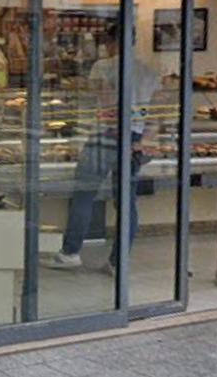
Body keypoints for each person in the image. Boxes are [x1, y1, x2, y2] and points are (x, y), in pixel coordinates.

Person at [47, 22, 161, 273]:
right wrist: (141, 142)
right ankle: (117, 262)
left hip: (106, 135)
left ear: (110, 42)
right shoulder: (149, 72)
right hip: (135, 138)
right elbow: (156, 115)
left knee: (84, 194)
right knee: (126, 202)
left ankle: (70, 253)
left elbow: (107, 105)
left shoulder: (103, 66)